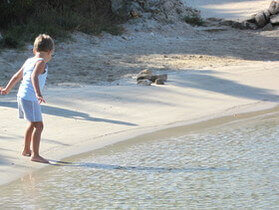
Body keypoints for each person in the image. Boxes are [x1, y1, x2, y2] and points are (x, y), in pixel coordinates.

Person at [0, 34, 54, 163]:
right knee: (39, 126)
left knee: (32, 123)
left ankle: (26, 150)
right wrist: (38, 94)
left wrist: (7, 89)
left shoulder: (29, 60)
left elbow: (16, 76)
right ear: (49, 52)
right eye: (52, 53)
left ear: (34, 50)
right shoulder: (41, 62)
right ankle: (35, 155)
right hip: (30, 97)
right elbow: (34, 77)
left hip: (22, 95)